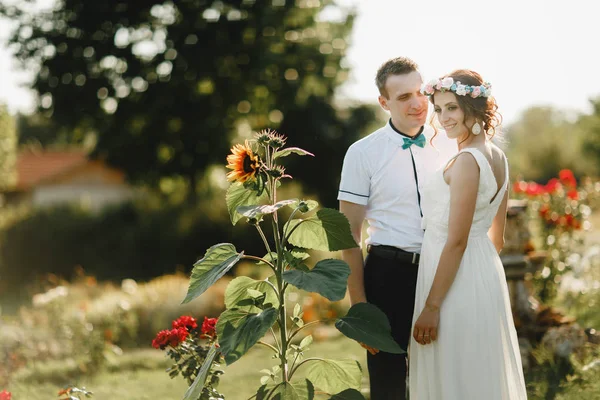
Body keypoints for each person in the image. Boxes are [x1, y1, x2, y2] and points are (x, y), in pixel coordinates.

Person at [338, 57, 456, 400]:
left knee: (443, 377)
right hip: (388, 275)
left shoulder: (449, 142)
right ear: (384, 102)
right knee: (388, 384)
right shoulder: (361, 154)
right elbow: (349, 237)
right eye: (404, 96)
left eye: (421, 92)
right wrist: (360, 308)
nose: (418, 103)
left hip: (442, 272)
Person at [409, 70, 527, 399]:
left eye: (452, 108)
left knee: (455, 374)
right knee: (477, 373)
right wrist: (480, 281)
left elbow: (457, 240)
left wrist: (433, 306)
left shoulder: (466, 161)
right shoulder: (498, 157)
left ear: (473, 109)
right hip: (483, 273)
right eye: (439, 108)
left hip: (452, 282)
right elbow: (497, 238)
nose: (443, 117)